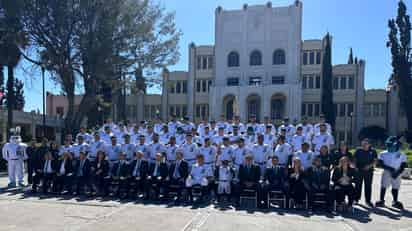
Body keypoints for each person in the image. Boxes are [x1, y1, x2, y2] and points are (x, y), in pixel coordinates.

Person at [375, 136, 408, 209]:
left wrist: (398, 173)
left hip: (397, 172)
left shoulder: (401, 154)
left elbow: (403, 165)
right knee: (384, 186)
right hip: (387, 172)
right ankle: (381, 200)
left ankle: (395, 201)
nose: (388, 146)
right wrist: (390, 169)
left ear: (395, 145)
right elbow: (380, 164)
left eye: (390, 144)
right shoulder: (383, 153)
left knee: (395, 187)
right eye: (388, 144)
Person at [353, 138, 377, 207]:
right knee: (358, 185)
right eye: (363, 144)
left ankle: (368, 201)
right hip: (359, 170)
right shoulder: (358, 150)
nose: (364, 145)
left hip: (368, 171)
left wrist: (369, 166)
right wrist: (355, 167)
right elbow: (354, 159)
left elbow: (375, 161)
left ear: (369, 144)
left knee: (368, 186)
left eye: (366, 144)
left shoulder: (373, 151)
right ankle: (356, 199)